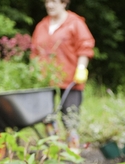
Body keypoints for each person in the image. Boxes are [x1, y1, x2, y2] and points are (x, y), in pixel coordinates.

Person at [30, 0, 95, 153]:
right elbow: (34, 52)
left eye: (54, 1)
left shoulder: (75, 23)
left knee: (70, 114)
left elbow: (85, 46)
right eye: (47, 1)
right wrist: (34, 72)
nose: (49, 5)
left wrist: (81, 68)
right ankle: (54, 149)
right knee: (47, 115)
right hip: (46, 80)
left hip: (71, 78)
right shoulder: (42, 26)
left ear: (64, 3)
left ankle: (73, 149)